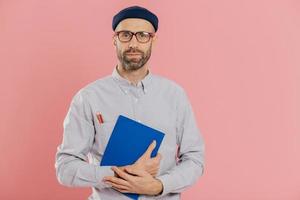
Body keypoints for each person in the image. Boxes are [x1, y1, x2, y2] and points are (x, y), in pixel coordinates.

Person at [55, 5, 205, 200]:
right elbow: (65, 167)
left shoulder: (175, 96)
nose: (134, 43)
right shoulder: (88, 98)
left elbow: (195, 159)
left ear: (153, 40)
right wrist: (117, 174)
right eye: (125, 35)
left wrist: (159, 186)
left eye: (142, 35)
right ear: (114, 40)